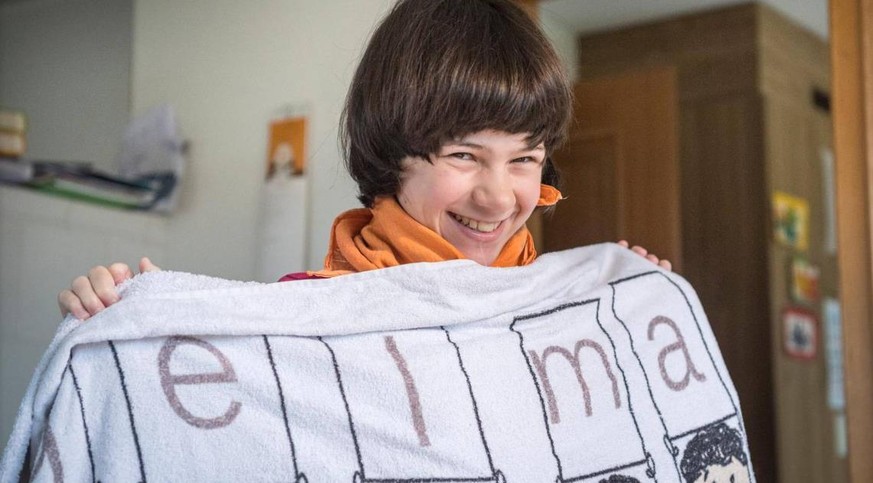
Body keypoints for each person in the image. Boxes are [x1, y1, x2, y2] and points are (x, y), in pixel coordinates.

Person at [57, 0, 671, 321]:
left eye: (523, 159)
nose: (497, 197)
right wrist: (122, 320)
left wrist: (634, 297)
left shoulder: (566, 301)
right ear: (391, 155)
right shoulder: (303, 312)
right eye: (463, 155)